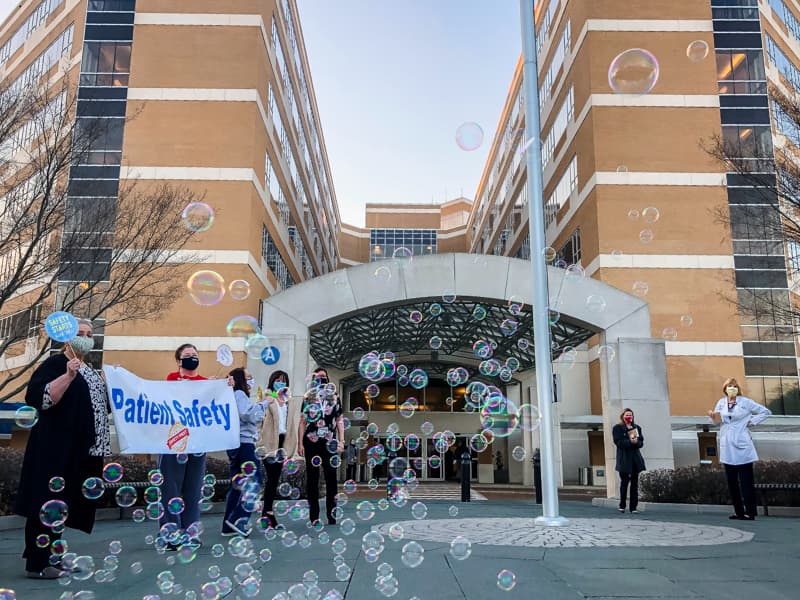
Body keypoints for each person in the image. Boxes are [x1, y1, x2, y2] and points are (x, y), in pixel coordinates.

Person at [15, 319, 111, 579]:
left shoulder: (91, 371)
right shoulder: (55, 364)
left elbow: (102, 408)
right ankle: (38, 562)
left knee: (63, 504)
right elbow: (40, 398)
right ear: (67, 337)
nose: (86, 338)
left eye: (90, 334)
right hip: (55, 449)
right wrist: (68, 376)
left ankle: (52, 558)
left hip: (82, 450)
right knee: (46, 503)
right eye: (80, 333)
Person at [159, 343, 207, 547]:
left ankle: (190, 531)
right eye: (187, 355)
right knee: (171, 488)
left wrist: (226, 385)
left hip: (197, 443)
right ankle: (171, 532)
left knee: (193, 488)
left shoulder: (206, 383)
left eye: (195, 355)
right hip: (175, 441)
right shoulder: (172, 379)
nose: (192, 358)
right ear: (179, 361)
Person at [708, 378, 771, 520]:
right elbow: (717, 421)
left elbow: (766, 412)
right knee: (732, 482)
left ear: (738, 388)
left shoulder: (745, 402)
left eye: (734, 386)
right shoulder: (721, 402)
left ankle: (750, 511)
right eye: (729, 386)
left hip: (742, 444)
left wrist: (752, 421)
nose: (732, 388)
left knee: (746, 481)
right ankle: (739, 511)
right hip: (727, 445)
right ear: (725, 389)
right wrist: (712, 417)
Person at [221, 367, 267, 537]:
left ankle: (228, 525)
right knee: (255, 481)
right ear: (241, 379)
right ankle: (237, 520)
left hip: (235, 443)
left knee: (236, 485)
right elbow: (249, 415)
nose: (251, 381)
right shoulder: (239, 394)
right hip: (245, 444)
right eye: (249, 377)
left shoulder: (232, 395)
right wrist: (265, 403)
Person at [298, 367, 344, 525]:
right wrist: (299, 443)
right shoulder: (308, 397)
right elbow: (302, 422)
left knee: (331, 478)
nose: (321, 380)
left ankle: (332, 515)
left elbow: (339, 420)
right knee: (313, 479)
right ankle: (314, 516)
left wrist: (342, 441)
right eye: (318, 377)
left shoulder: (334, 397)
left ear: (328, 379)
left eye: (324, 377)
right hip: (311, 442)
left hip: (330, 442)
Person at [259, 370, 302, 529]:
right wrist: (258, 441)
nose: (281, 383)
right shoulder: (267, 399)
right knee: (271, 479)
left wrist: (295, 444)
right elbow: (260, 422)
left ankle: (266, 513)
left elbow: (291, 424)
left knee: (274, 480)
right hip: (270, 442)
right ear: (272, 382)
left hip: (283, 443)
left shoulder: (290, 402)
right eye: (277, 380)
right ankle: (268, 515)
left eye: (283, 381)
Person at [613, 408, 645, 514]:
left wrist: (636, 442)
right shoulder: (618, 428)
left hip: (635, 460)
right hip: (624, 460)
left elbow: (641, 443)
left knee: (634, 484)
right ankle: (622, 505)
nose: (629, 417)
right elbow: (618, 442)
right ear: (622, 416)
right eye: (627, 415)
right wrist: (629, 442)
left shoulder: (636, 428)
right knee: (624, 483)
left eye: (630, 415)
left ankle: (633, 507)